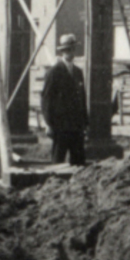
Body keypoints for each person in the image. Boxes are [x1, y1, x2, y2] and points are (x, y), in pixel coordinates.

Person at [41, 33, 88, 165]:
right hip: (60, 126)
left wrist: (85, 123)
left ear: (74, 50)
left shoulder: (78, 72)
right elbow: (46, 100)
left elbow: (82, 98)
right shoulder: (54, 72)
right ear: (62, 51)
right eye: (66, 50)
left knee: (79, 162)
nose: (69, 52)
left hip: (76, 126)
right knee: (58, 161)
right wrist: (49, 124)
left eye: (71, 49)